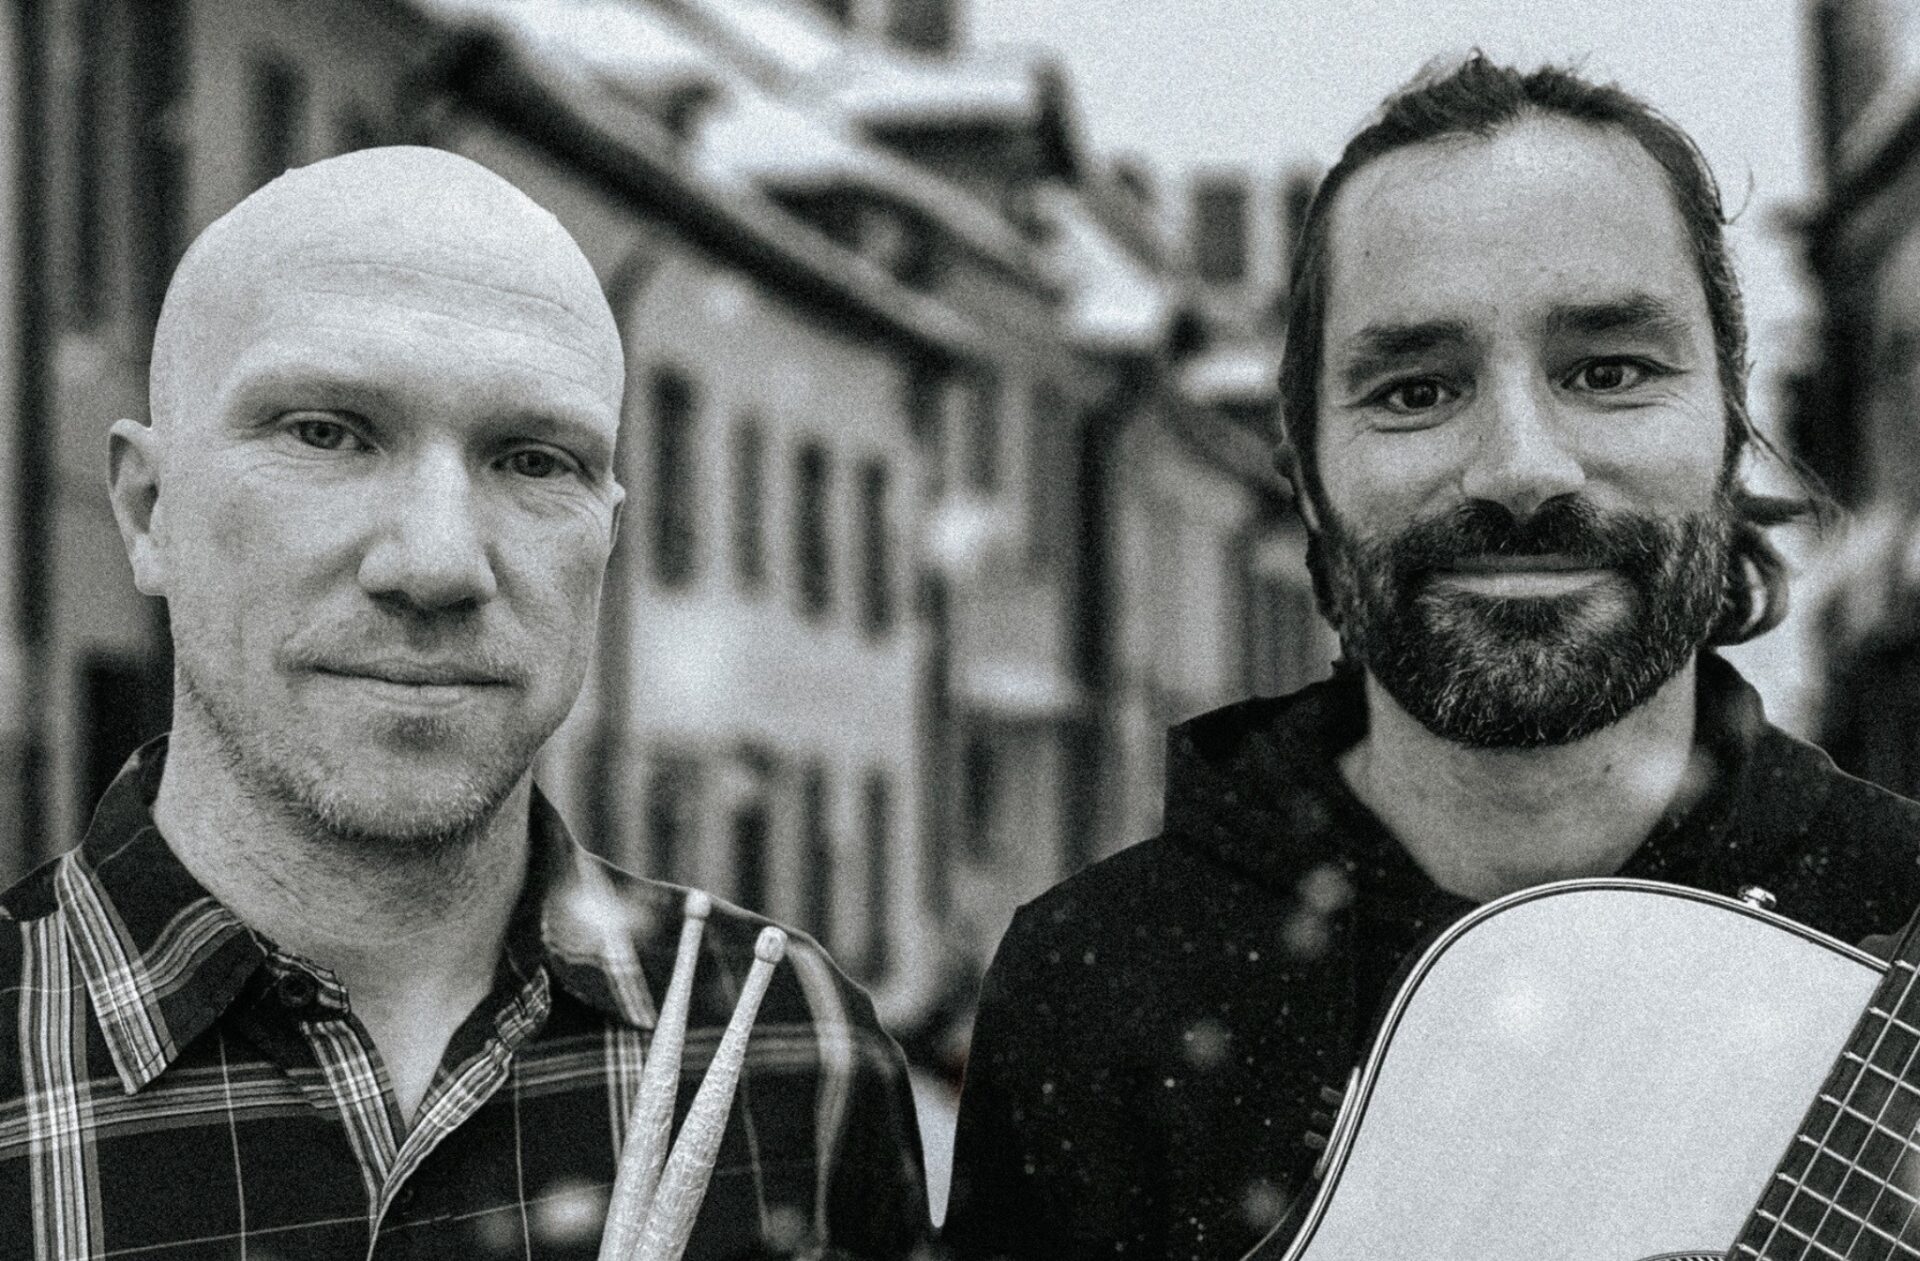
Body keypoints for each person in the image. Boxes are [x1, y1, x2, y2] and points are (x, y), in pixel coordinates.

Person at [942, 55, 1920, 1261]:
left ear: (1727, 433)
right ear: (1304, 473)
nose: (1521, 467)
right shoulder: (1096, 995)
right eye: (1414, 390)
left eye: (1608, 370)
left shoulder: (1896, 928)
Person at [0, 148, 930, 1261]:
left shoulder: (792, 1057)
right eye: (326, 431)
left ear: (609, 531)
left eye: (534, 460)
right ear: (151, 512)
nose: (438, 562)